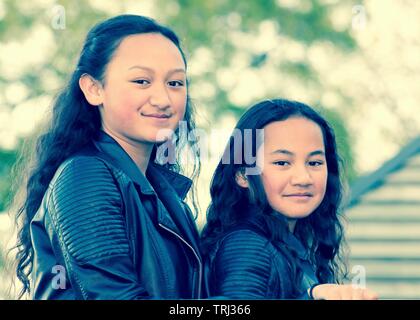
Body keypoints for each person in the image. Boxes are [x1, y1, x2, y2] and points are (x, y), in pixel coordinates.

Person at [12, 14, 203, 300]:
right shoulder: (85, 176)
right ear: (94, 89)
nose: (163, 99)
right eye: (141, 81)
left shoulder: (167, 195)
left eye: (175, 83)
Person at [201, 99, 378, 300]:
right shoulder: (248, 245)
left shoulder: (286, 244)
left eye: (314, 162)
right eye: (282, 162)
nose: (303, 178)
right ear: (242, 173)